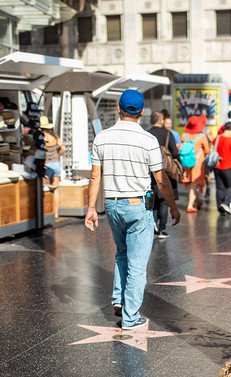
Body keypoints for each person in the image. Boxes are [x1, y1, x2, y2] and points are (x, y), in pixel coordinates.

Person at [84, 89, 181, 330]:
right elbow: (161, 180)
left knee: (121, 253)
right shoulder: (148, 141)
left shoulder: (102, 138)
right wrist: (173, 207)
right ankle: (130, 318)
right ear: (141, 113)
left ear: (119, 108)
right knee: (137, 265)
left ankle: (118, 299)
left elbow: (95, 176)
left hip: (112, 205)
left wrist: (90, 209)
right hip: (138, 206)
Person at [148, 110, 180, 239]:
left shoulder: (147, 134)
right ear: (162, 121)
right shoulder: (168, 134)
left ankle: (153, 225)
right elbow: (175, 152)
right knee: (163, 201)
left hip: (149, 171)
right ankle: (162, 229)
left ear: (151, 121)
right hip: (164, 170)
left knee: (153, 200)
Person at [180, 115, 210, 213]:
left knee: (194, 183)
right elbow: (207, 150)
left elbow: (181, 146)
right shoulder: (202, 137)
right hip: (197, 163)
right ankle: (190, 205)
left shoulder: (184, 135)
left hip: (186, 163)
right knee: (194, 184)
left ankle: (198, 201)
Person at [42, 122, 65, 219]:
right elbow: (63, 148)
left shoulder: (43, 136)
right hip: (56, 163)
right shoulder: (55, 136)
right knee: (56, 189)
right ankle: (56, 213)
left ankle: (45, 212)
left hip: (46, 164)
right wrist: (58, 155)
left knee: (43, 188)